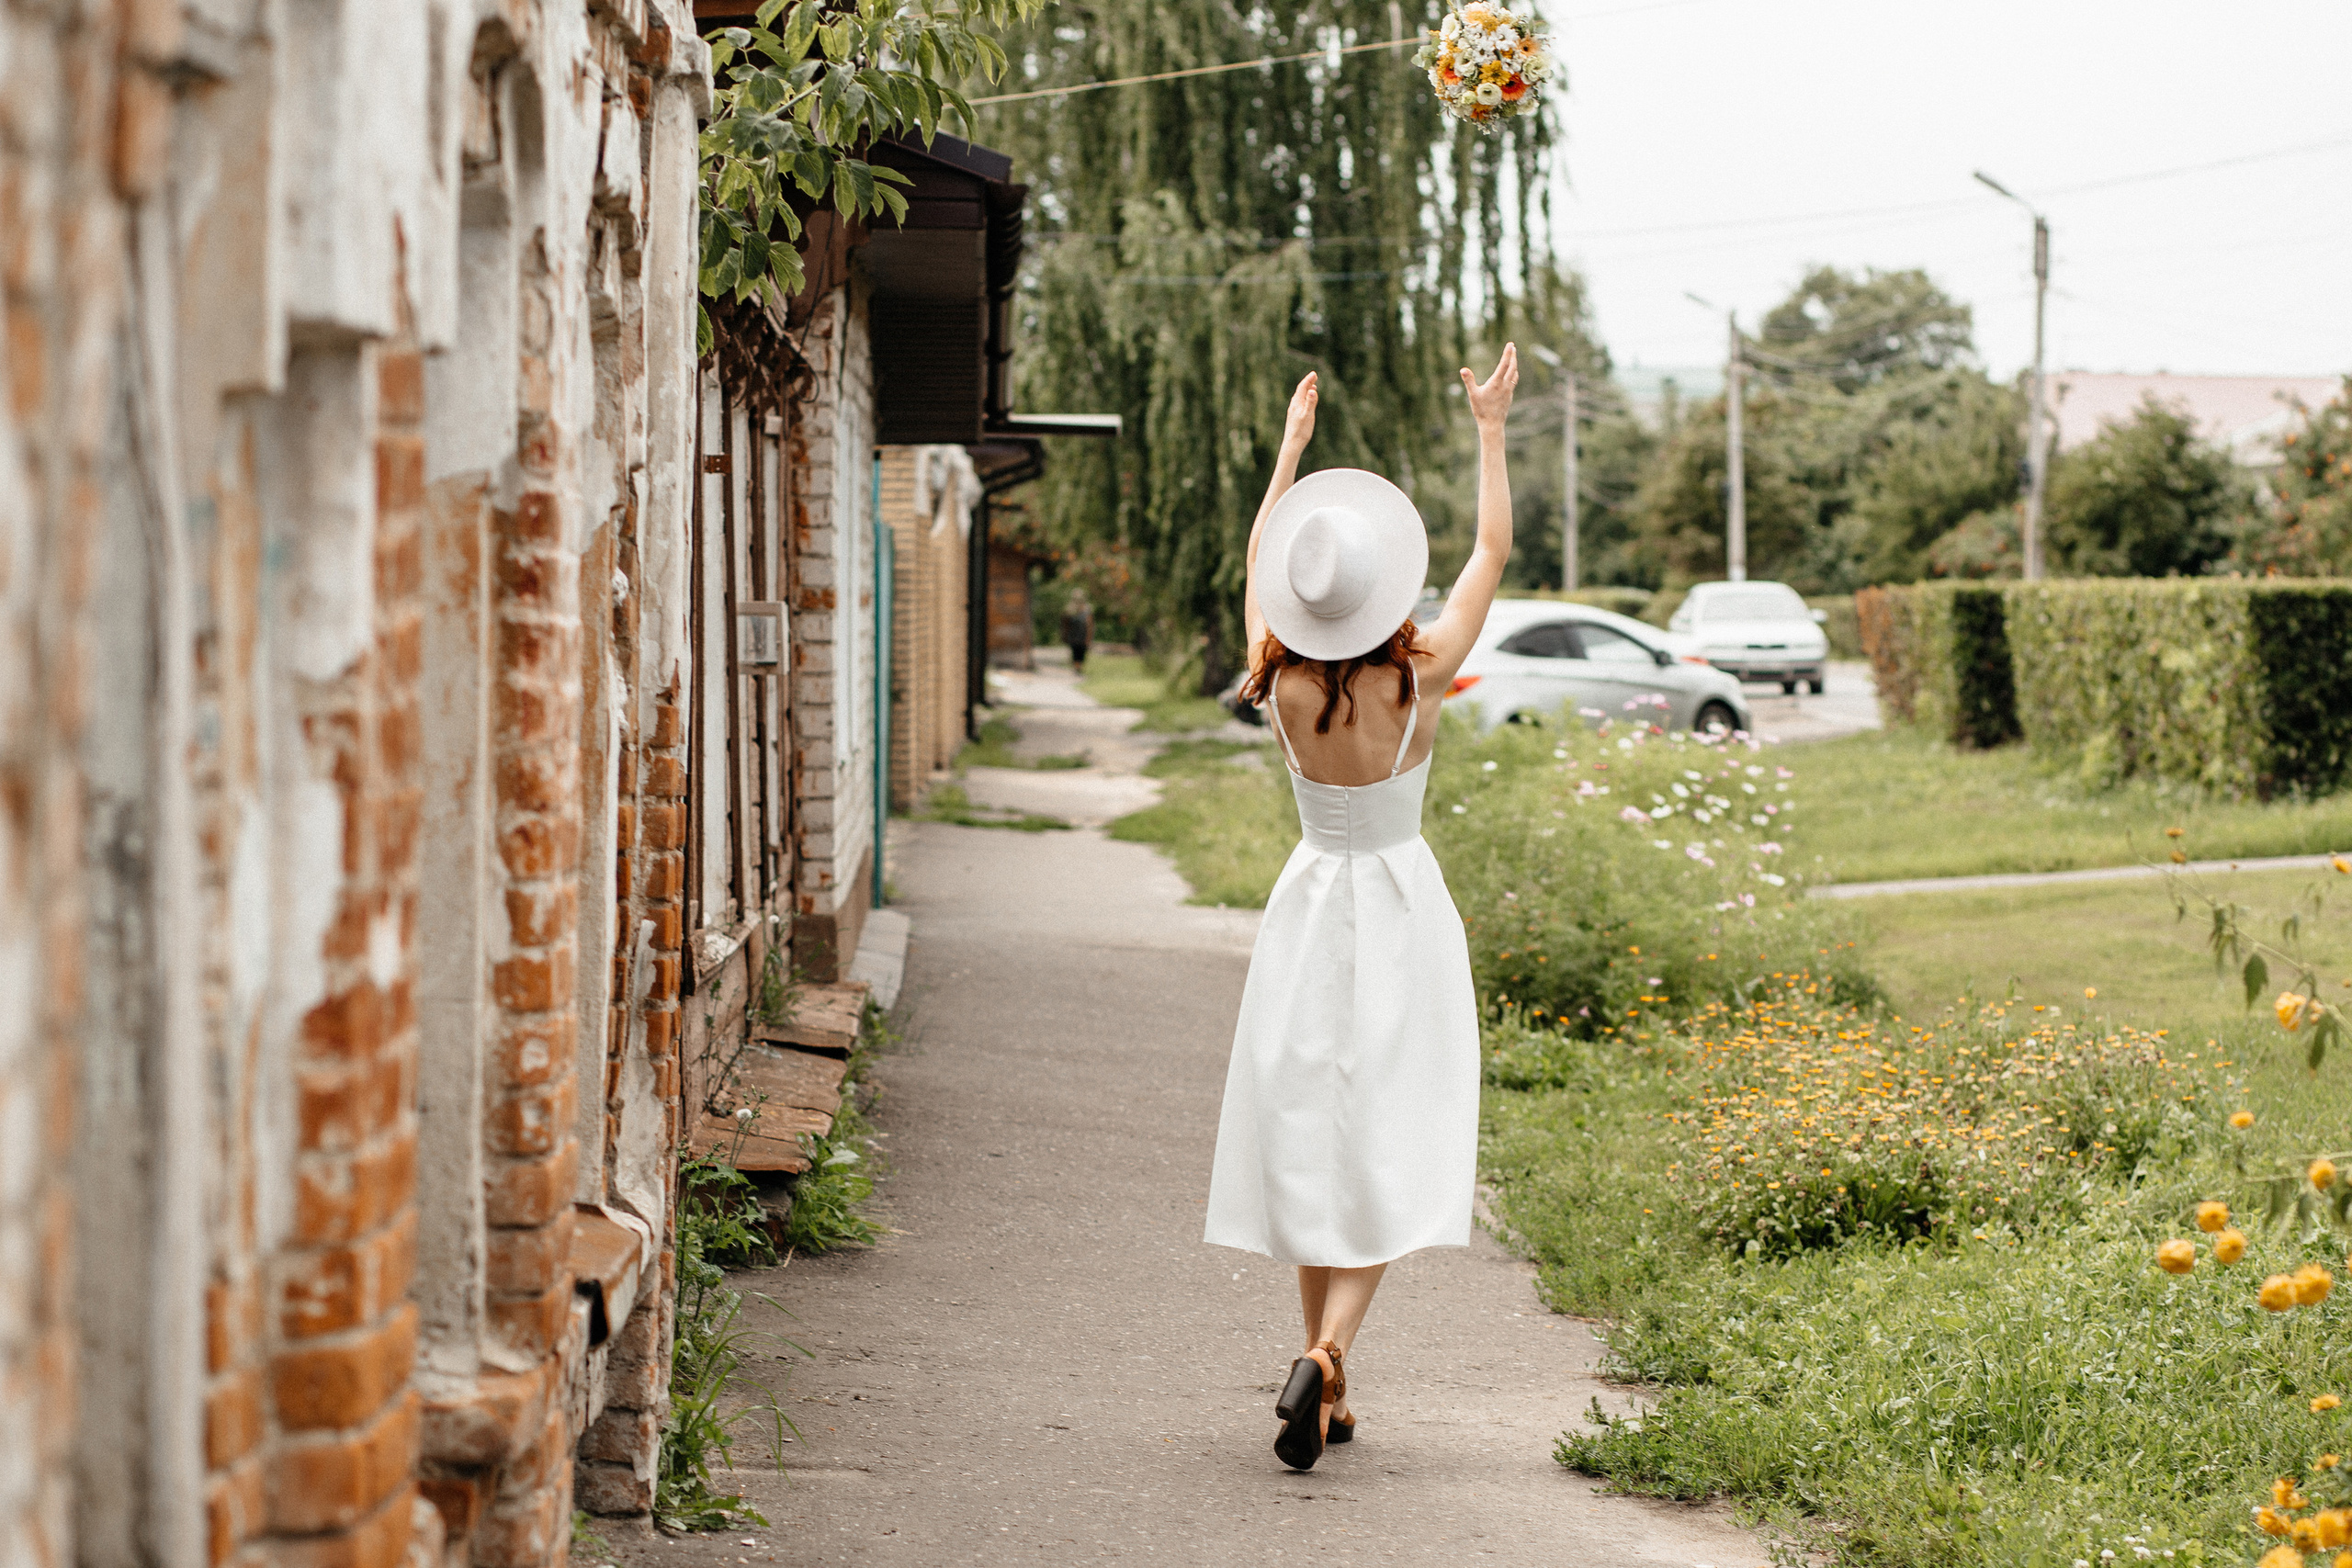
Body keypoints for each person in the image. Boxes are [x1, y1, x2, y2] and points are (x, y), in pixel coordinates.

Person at [1204, 348, 1519, 1471]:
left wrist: (1288, 454)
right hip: (1397, 908)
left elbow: (1257, 562)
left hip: (1308, 905)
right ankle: (1328, 1360)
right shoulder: (1418, 672)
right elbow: (1491, 550)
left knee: (1308, 1139)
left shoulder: (1274, 674)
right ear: (1383, 590)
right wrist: (1487, 429)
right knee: (1385, 1140)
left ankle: (1322, 1387)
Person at [1060, 587, 1094, 671]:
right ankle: (1076, 668)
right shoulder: (1069, 609)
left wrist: (1089, 638)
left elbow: (1090, 625)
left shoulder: (1087, 610)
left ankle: (1078, 668)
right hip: (1073, 637)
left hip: (1083, 636)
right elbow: (1065, 623)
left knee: (1081, 653)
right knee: (1075, 652)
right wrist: (1064, 635)